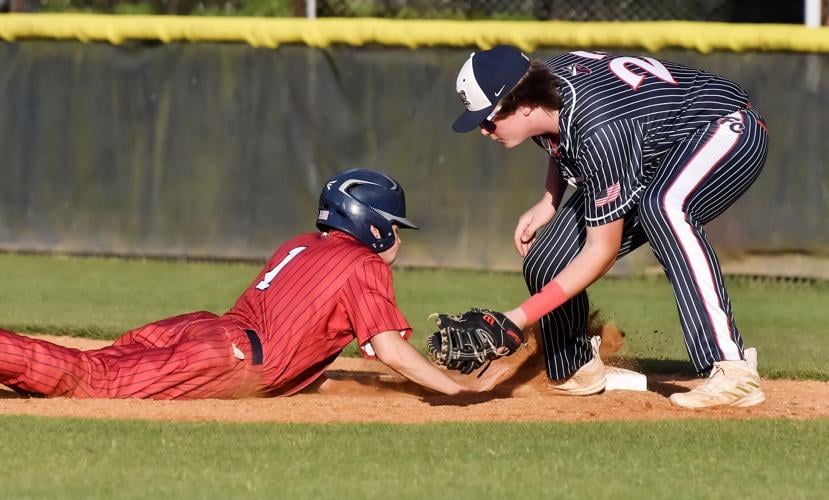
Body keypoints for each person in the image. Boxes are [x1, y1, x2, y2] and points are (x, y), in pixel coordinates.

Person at [450, 45, 768, 408]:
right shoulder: (542, 89)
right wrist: (550, 199)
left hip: (725, 127)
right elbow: (559, 136)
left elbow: (602, 252)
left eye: (489, 119)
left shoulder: (599, 127)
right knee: (545, 261)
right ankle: (577, 368)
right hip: (651, 148)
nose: (484, 130)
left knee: (664, 207)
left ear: (523, 104)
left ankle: (732, 367)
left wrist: (517, 318)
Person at [0, 168, 497, 399]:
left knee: (102, 362)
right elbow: (389, 349)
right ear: (371, 224)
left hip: (202, 330)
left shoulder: (302, 244)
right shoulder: (364, 264)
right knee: (92, 381)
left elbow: (303, 332)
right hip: (227, 357)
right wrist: (457, 390)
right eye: (394, 225)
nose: (398, 237)